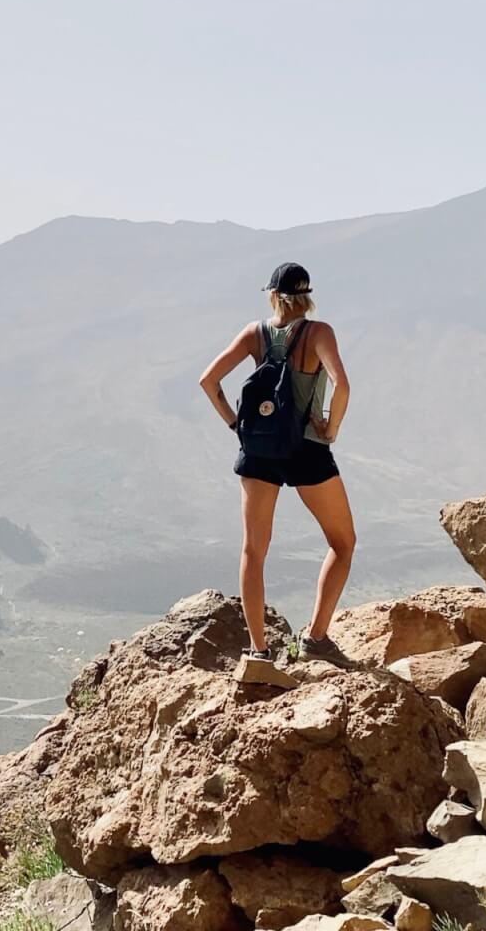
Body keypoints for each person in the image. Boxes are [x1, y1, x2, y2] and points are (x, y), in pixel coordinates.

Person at [198, 261, 356, 686]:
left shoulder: (255, 334)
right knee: (343, 542)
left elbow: (208, 381)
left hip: (260, 449)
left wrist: (237, 426)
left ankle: (259, 653)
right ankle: (317, 638)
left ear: (272, 294)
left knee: (254, 551)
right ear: (307, 296)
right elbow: (342, 385)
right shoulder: (319, 333)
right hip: (307, 449)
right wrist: (331, 428)